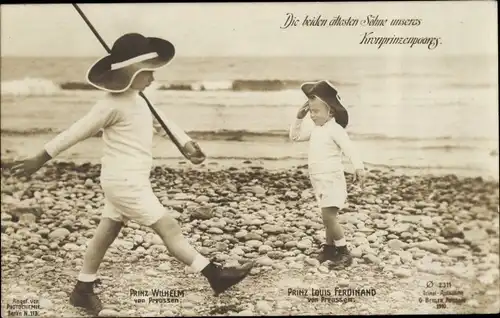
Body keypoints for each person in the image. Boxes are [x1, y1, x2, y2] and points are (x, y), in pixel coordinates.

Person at [11, 33, 253, 315]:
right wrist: (40, 158)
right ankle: (215, 275)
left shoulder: (139, 100)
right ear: (131, 73)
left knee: (107, 231)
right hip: (124, 183)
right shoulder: (110, 104)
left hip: (128, 180)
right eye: (147, 72)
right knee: (169, 227)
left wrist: (186, 145)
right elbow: (75, 132)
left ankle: (82, 289)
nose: (152, 78)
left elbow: (165, 124)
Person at [289, 80, 365, 269]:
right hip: (318, 180)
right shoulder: (316, 129)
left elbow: (349, 148)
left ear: (330, 112)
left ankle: (344, 252)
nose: (312, 115)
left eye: (316, 112)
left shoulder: (335, 130)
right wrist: (299, 118)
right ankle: (330, 248)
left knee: (328, 217)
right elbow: (294, 136)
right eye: (311, 111)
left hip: (332, 179)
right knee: (328, 217)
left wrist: (358, 167)